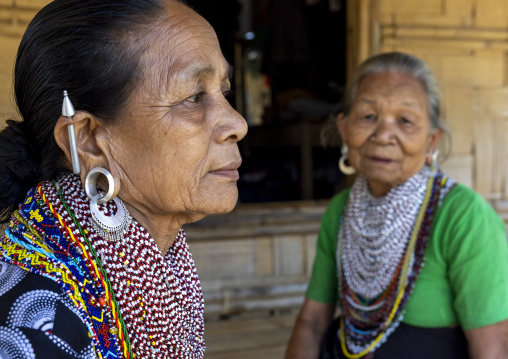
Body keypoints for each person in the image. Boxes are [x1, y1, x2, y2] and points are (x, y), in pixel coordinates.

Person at [0, 0, 247, 358]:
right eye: (193, 97)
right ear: (87, 139)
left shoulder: (161, 261)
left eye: (222, 92)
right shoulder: (34, 323)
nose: (237, 123)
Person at [285, 52, 508, 359]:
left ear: (432, 141)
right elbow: (311, 321)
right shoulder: (340, 210)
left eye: (405, 121)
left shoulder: (464, 216)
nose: (384, 135)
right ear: (344, 129)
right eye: (368, 117)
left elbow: (494, 347)